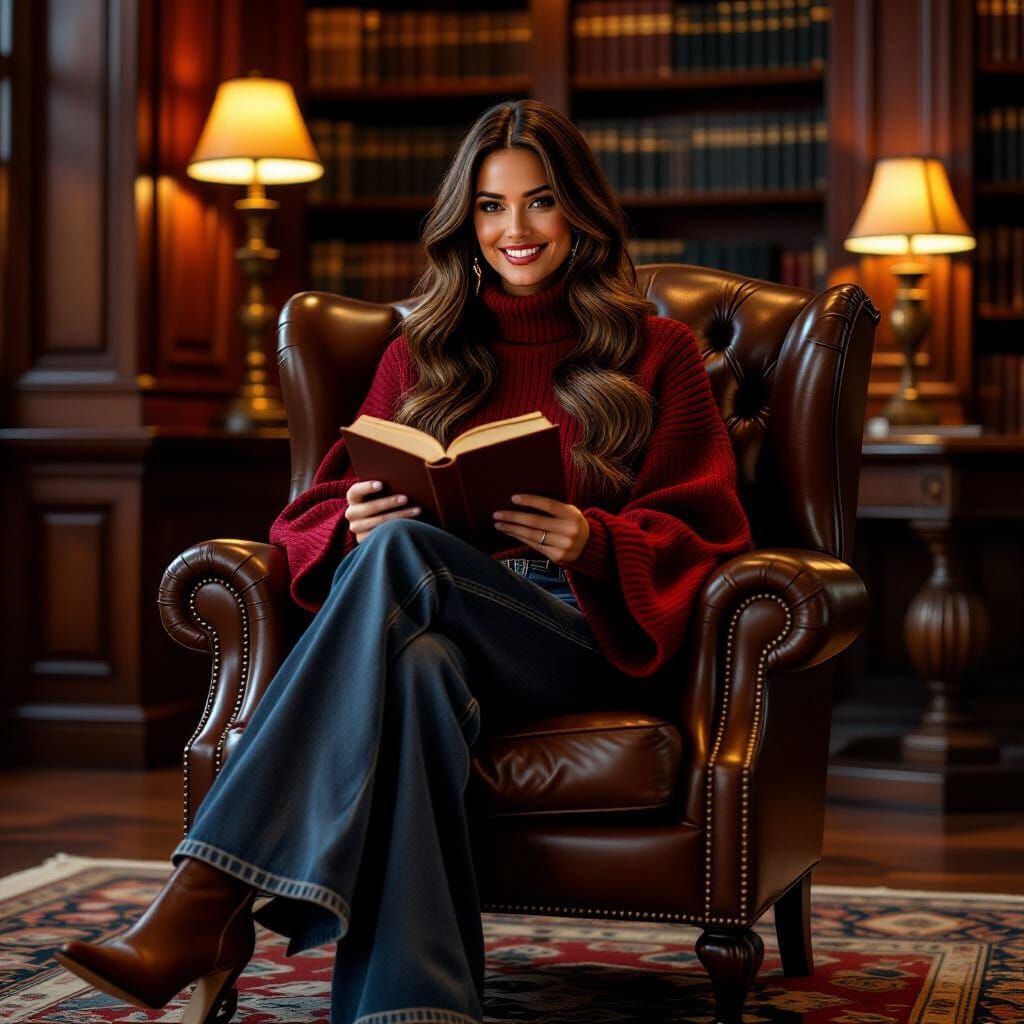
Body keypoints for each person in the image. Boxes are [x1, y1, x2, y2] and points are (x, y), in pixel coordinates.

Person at [55, 99, 751, 1024]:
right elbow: (305, 517)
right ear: (466, 221)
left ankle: (206, 900)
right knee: (416, 661)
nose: (515, 228)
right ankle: (414, 1009)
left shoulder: (659, 351)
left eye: (540, 201)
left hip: (574, 632)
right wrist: (350, 524)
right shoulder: (419, 352)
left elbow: (709, 526)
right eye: (492, 206)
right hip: (421, 619)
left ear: (581, 211)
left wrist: (595, 541)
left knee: (406, 557)